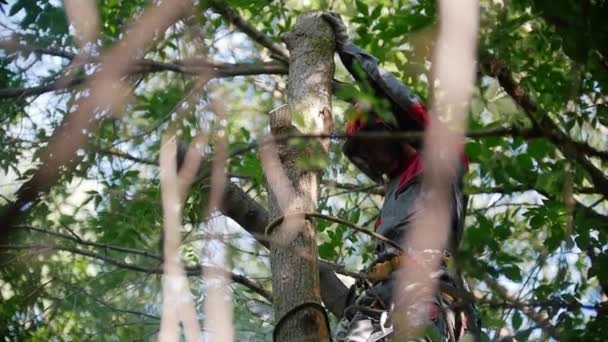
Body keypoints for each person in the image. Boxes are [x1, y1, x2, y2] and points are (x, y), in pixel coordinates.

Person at [322, 12, 474, 342]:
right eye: (365, 153)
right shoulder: (393, 195)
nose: (374, 159)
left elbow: (399, 98)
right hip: (380, 293)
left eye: (374, 146)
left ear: (392, 130)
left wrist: (349, 52)